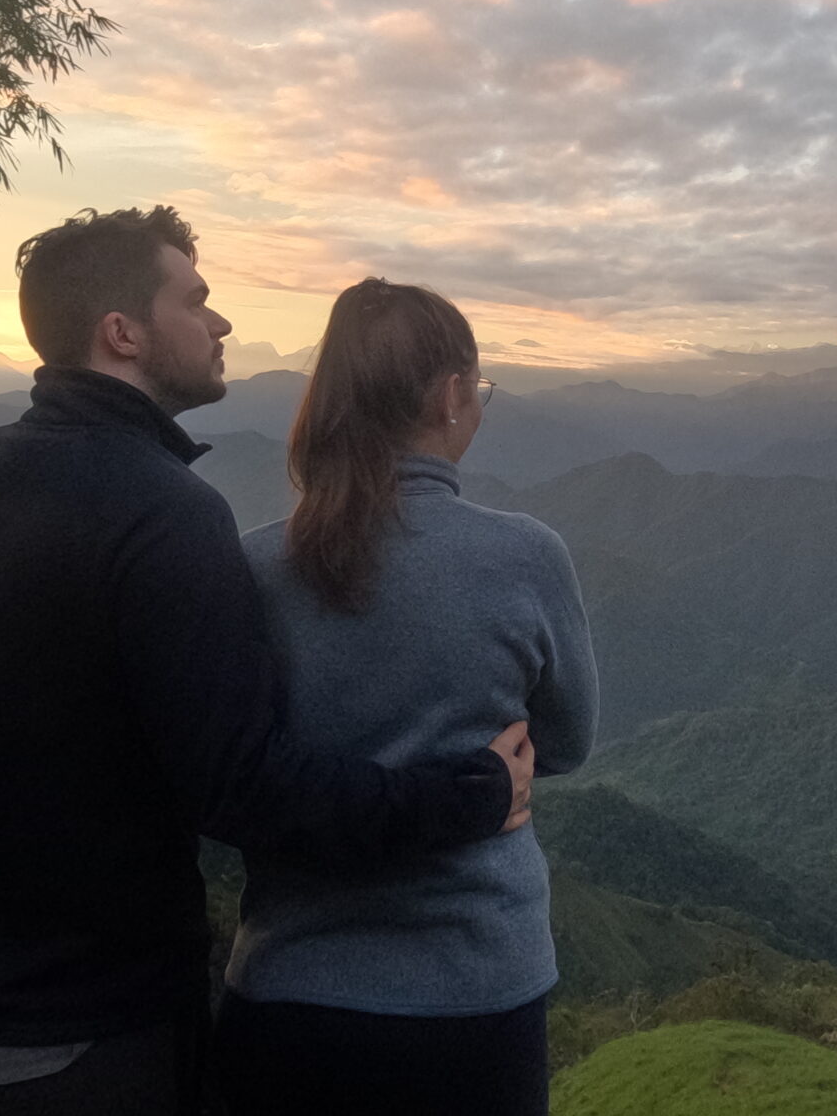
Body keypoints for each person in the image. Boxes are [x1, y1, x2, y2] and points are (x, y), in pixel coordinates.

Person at [0, 207, 537, 1115]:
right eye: (195, 301)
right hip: (73, 1045)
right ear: (121, 334)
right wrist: (472, 793)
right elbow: (246, 791)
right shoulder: (164, 514)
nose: (223, 322)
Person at [213, 278, 598, 1116]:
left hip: (288, 994)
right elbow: (565, 745)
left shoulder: (253, 566)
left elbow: (236, 774)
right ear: (450, 395)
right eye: (480, 389)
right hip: (474, 996)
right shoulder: (526, 556)